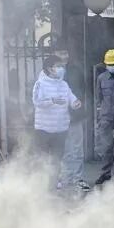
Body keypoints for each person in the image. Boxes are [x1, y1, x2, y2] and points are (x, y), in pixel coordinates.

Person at [32, 54, 81, 184]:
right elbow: (36, 101)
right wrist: (51, 101)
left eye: (62, 66)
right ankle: (40, 183)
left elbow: (70, 96)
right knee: (42, 159)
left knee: (56, 159)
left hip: (61, 129)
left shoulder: (63, 84)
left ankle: (53, 183)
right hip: (44, 129)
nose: (61, 69)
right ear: (49, 68)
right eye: (58, 66)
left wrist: (75, 103)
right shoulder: (40, 84)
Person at [93, 49, 114, 186]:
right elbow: (98, 98)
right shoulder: (101, 78)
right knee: (106, 147)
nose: (112, 66)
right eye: (109, 64)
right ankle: (105, 173)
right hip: (106, 117)